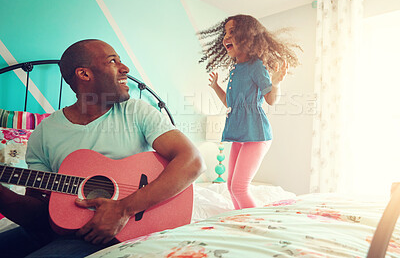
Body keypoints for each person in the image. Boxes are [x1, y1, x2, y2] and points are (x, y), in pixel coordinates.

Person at [0, 39, 205, 257]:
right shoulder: (45, 132)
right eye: (113, 61)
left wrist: (123, 209)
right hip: (64, 229)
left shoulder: (135, 111)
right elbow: (39, 215)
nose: (125, 68)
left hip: (124, 230)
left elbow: (192, 161)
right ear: (84, 74)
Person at [198, 14, 301, 210]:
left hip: (256, 134)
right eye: (225, 33)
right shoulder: (236, 68)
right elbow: (231, 103)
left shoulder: (256, 66)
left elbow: (270, 99)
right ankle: (241, 220)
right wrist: (215, 87)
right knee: (230, 186)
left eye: (232, 32)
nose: (226, 37)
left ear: (247, 37)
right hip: (240, 134)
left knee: (239, 187)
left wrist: (276, 83)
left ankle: (255, 224)